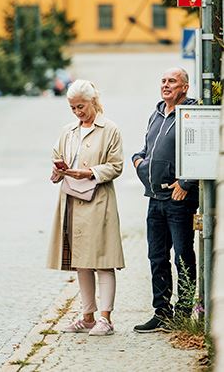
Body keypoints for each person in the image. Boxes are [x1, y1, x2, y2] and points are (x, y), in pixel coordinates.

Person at [48, 79, 125, 336]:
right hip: (72, 200)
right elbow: (57, 156)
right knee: (81, 262)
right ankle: (87, 316)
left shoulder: (110, 129)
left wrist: (90, 172)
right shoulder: (68, 131)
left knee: (103, 259)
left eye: (81, 106)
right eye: (73, 108)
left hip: (98, 200)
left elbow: (116, 165)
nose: (78, 112)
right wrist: (58, 171)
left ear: (92, 102)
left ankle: (106, 318)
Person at [132, 67, 199, 333]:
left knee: (182, 255)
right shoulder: (157, 112)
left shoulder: (191, 113)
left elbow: (200, 150)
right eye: (163, 80)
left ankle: (183, 313)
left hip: (178, 199)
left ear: (185, 87)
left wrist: (185, 182)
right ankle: (162, 312)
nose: (166, 85)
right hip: (155, 197)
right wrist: (137, 161)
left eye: (172, 81)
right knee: (156, 256)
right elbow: (146, 149)